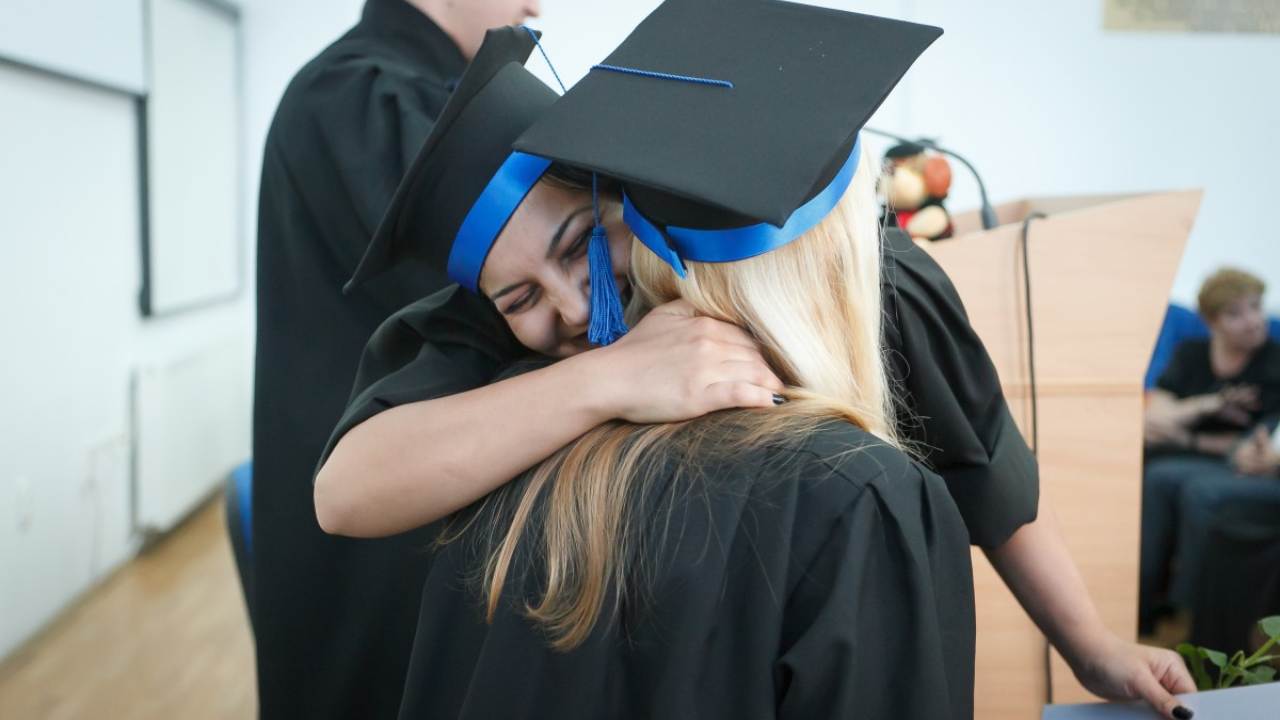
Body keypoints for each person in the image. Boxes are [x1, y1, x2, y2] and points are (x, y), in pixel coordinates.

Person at [315, 3, 1196, 718]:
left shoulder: (863, 278)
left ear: (617, 187)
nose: (573, 308)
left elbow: (987, 474)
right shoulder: (493, 330)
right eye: (520, 300)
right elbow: (346, 491)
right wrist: (604, 380)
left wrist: (1092, 647)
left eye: (582, 244)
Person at [251, 1, 543, 717]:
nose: (536, 6)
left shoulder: (404, 92)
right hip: (374, 538)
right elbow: (502, 282)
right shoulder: (357, 94)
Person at [1140, 268, 1280, 633]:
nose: (1252, 321)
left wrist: (1185, 431)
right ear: (1211, 321)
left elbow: (1253, 443)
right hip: (1194, 454)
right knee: (1155, 475)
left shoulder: (1274, 360)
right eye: (1236, 313)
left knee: (1192, 487)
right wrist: (1205, 406)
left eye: (1255, 307)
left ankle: (1187, 610)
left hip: (1235, 462)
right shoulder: (1191, 353)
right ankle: (1142, 603)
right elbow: (1153, 418)